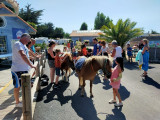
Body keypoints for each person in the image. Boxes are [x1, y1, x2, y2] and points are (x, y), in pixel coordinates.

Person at [11, 33, 36, 108]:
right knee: (17, 87)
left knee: (25, 86)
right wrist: (31, 65)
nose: (29, 41)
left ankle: (26, 99)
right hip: (17, 70)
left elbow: (27, 56)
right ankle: (17, 103)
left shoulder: (24, 45)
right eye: (28, 39)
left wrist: (31, 64)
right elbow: (23, 55)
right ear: (24, 38)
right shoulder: (18, 44)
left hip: (24, 69)